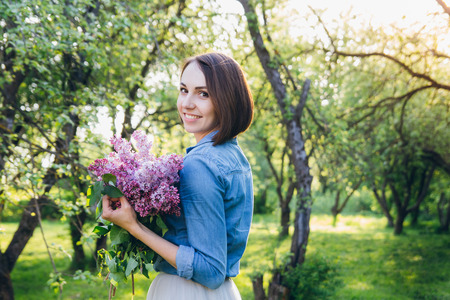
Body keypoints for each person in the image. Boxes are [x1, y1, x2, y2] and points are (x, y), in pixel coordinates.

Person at [101, 52, 254, 299]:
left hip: (187, 291)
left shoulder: (199, 164)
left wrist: (134, 226)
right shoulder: (235, 158)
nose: (187, 103)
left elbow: (211, 270)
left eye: (203, 94)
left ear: (227, 100)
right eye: (184, 90)